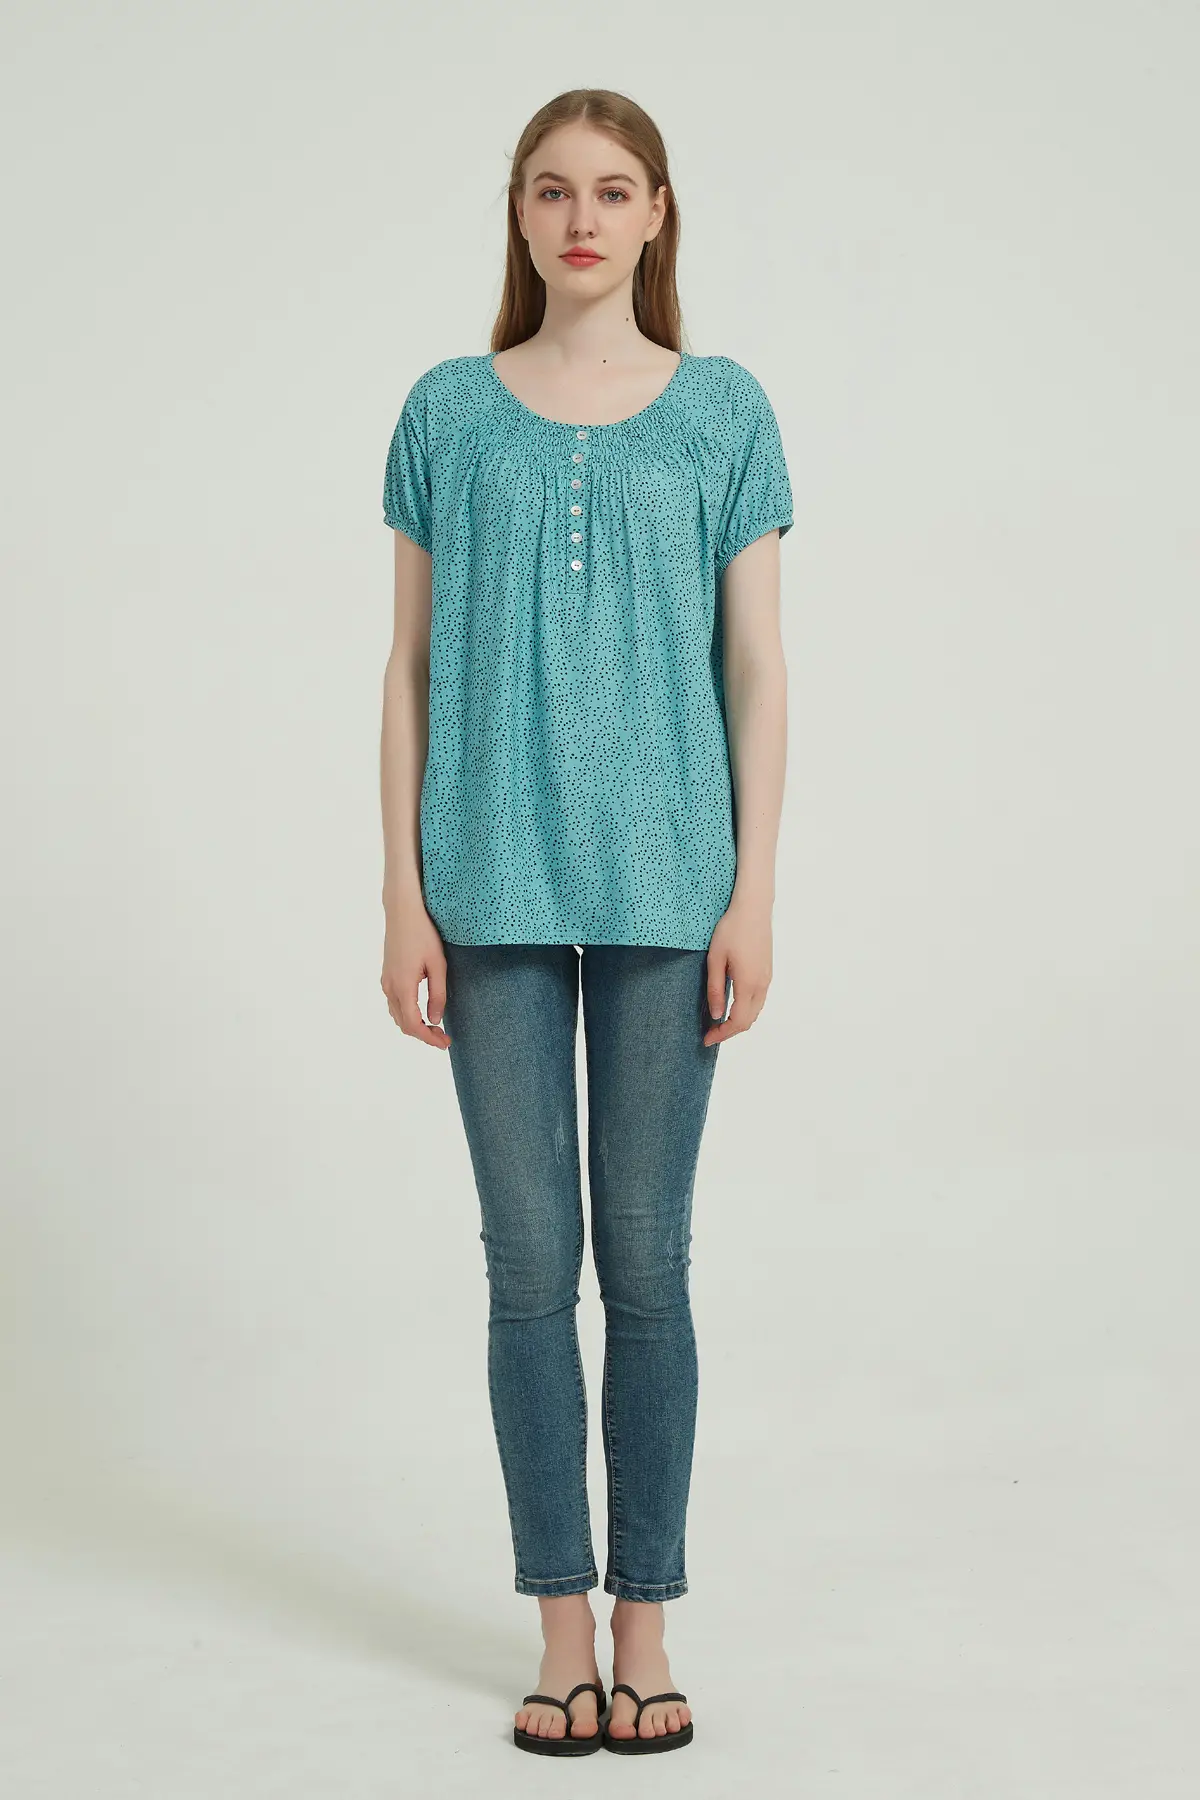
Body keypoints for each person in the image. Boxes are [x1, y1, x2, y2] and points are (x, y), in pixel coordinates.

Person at [378, 88, 793, 1757]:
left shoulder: (725, 412)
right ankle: (559, 1628)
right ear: (519, 213)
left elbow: (757, 664)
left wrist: (754, 888)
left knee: (649, 1261)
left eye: (613, 191)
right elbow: (408, 666)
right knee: (528, 1265)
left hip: (670, 879)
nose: (581, 219)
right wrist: (399, 889)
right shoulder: (445, 412)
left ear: (658, 213)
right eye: (552, 190)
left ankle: (647, 1624)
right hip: (482, 878)